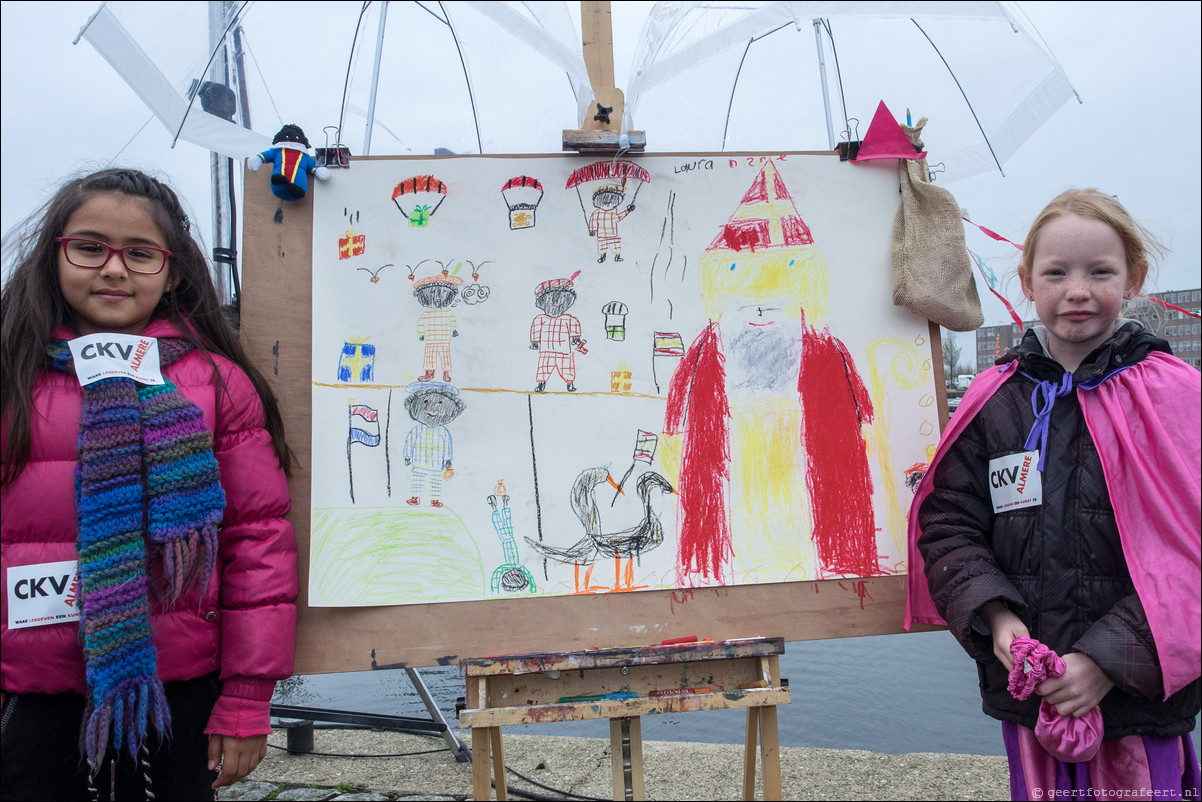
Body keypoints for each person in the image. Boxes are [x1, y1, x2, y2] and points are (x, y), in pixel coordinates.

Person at [1, 168, 298, 799]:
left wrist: (247, 697)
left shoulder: (217, 385)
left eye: (140, 254)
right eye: (90, 248)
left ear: (174, 270)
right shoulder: (12, 378)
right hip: (29, 693)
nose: (114, 269)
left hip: (178, 695)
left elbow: (258, 545)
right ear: (54, 253)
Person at [906, 189, 1200, 798]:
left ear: (1135, 277)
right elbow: (949, 523)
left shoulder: (1177, 396)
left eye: (1100, 272)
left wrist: (1106, 663)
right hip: (1031, 693)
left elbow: (1190, 555)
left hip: (1140, 702)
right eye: (1056, 273)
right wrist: (997, 618)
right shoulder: (995, 400)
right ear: (1026, 282)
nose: (1077, 291)